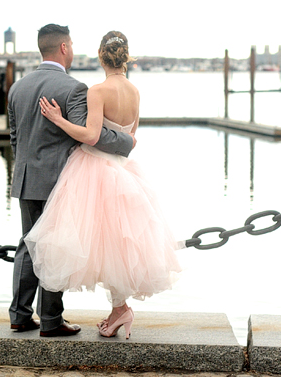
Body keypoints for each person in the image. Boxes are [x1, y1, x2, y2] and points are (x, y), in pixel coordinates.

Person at [25, 30, 182, 339]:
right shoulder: (135, 92)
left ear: (100, 57)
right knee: (118, 246)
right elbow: (131, 139)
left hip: (95, 170)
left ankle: (119, 310)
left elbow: (92, 135)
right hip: (125, 172)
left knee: (100, 245)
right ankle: (119, 309)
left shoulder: (97, 91)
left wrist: (58, 119)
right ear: (127, 58)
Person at [8, 24, 135, 337]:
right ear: (64, 48)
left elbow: (14, 137)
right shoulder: (73, 88)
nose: (74, 50)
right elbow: (93, 137)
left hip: (25, 178)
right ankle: (50, 322)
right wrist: (127, 140)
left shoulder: (17, 87)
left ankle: (19, 316)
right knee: (55, 246)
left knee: (28, 244)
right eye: (72, 45)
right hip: (60, 181)